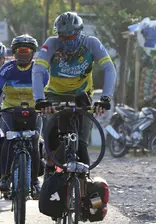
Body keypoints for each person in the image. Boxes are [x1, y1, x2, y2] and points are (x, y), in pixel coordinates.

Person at [32, 12, 116, 180]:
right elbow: (38, 70)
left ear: (80, 32)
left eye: (71, 35)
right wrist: (40, 99)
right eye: (63, 36)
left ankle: (83, 185)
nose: (68, 40)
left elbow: (109, 69)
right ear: (58, 35)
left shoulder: (91, 43)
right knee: (51, 140)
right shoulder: (52, 44)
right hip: (55, 95)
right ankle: (49, 167)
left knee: (82, 144)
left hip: (81, 96)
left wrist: (105, 98)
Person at [0, 34, 49, 198]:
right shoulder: (6, 68)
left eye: (26, 50)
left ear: (32, 52)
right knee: (8, 138)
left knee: (34, 141)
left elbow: (49, 90)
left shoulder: (39, 70)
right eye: (19, 50)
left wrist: (50, 106)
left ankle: (34, 181)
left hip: (34, 110)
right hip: (10, 110)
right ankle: (5, 178)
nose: (22, 53)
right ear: (14, 52)